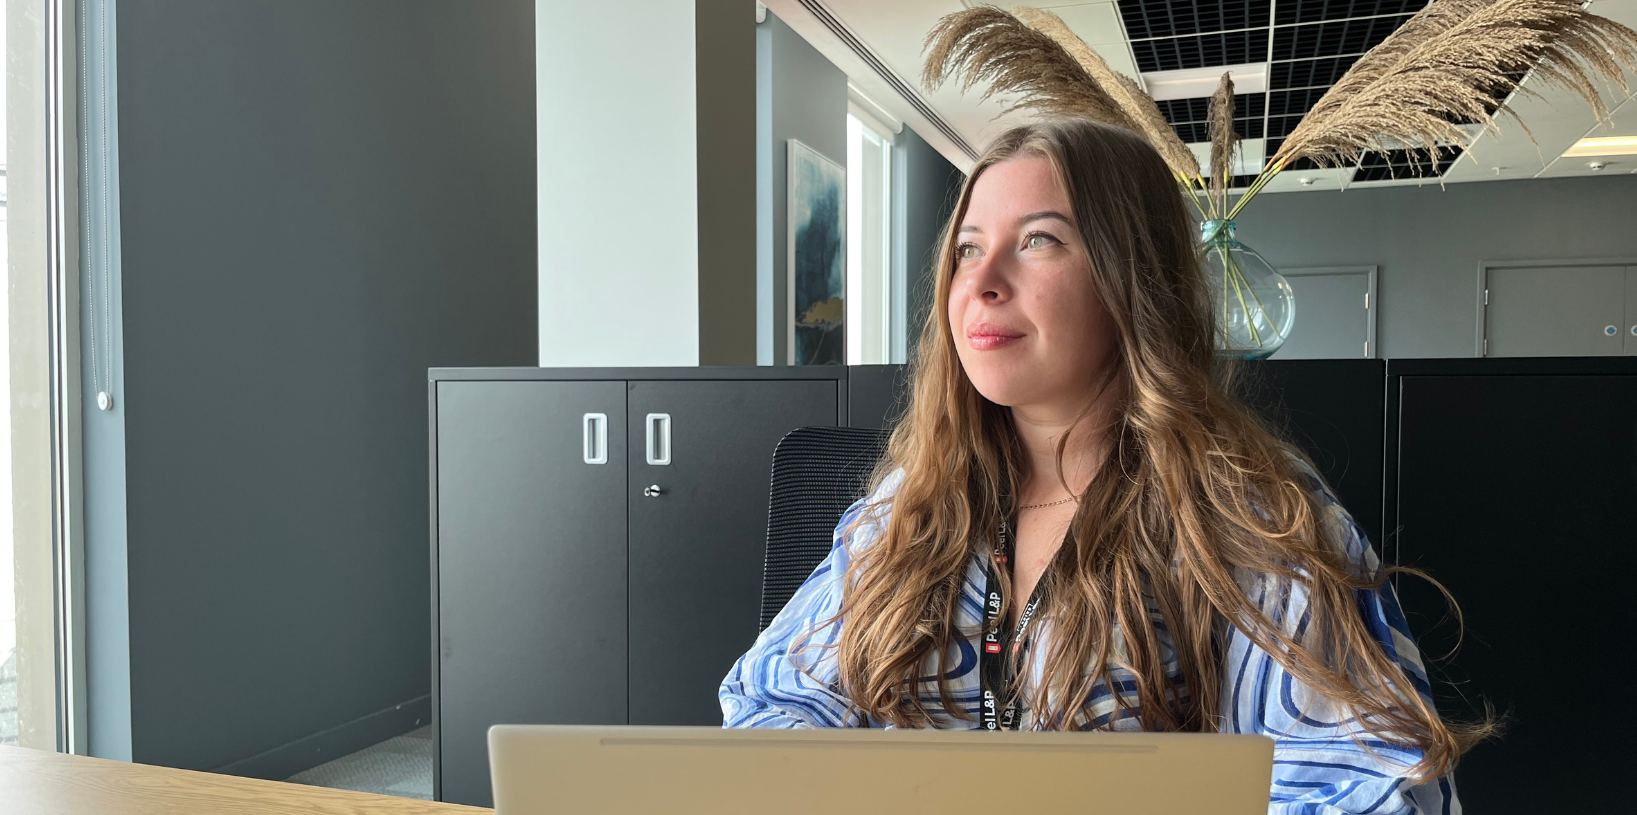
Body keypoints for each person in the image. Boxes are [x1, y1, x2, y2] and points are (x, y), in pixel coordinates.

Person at [720, 119, 1480, 813]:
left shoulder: (1241, 511)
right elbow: (770, 707)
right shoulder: (907, 503)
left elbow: (1373, 784)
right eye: (967, 249)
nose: (982, 283)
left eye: (1039, 240)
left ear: (1132, 277)